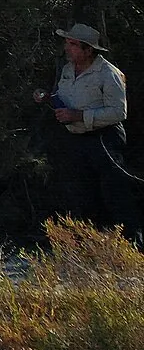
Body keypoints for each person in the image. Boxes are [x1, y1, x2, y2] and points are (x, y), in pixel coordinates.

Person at [37, 22, 143, 240]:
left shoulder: (108, 74)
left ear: (88, 50)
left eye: (73, 44)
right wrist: (48, 98)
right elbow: (66, 97)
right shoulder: (68, 69)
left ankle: (133, 246)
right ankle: (89, 247)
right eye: (67, 43)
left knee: (115, 194)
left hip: (103, 139)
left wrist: (80, 116)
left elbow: (118, 112)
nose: (67, 48)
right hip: (75, 140)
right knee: (80, 196)